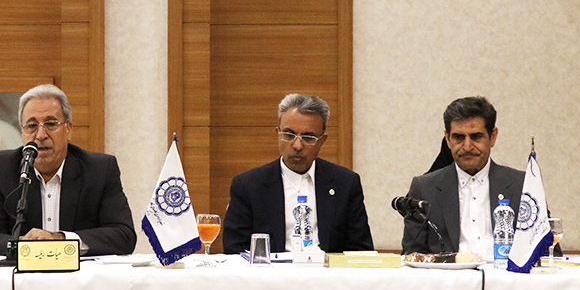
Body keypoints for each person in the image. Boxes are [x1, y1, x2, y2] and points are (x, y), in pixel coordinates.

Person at [0, 84, 135, 256]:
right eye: (31, 126)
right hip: (22, 271)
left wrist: (61, 239)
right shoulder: (1, 168)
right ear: (22, 132)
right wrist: (25, 248)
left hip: (79, 272)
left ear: (68, 130)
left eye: (50, 124)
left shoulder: (100, 169)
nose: (41, 135)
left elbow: (124, 236)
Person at [222, 93, 374, 254]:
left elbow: (360, 251)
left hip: (327, 269)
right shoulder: (248, 185)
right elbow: (235, 250)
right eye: (289, 135)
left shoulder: (345, 183)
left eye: (308, 137)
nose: (297, 145)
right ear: (278, 134)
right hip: (272, 270)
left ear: (322, 141)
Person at [401, 96, 522, 256]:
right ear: (447, 139)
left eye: (476, 136)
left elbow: (544, 249)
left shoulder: (522, 185)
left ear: (492, 137)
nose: (467, 146)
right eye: (458, 137)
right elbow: (413, 255)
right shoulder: (424, 189)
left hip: (506, 271)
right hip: (445, 272)